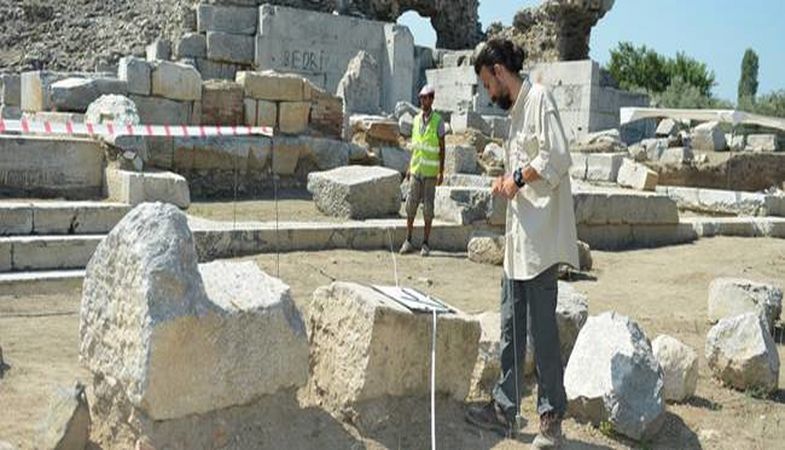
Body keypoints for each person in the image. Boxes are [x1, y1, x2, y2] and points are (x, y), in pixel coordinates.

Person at [464, 39, 579, 449]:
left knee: (543, 330)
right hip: (518, 239)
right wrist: (507, 180)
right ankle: (505, 409)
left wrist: (516, 178)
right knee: (512, 327)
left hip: (541, 240)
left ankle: (550, 419)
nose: (486, 92)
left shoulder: (540, 99)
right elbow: (524, 169)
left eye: (485, 83)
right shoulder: (514, 113)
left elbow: (558, 157)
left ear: (497, 70)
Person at [400, 84, 446, 257]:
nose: (422, 100)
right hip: (416, 169)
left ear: (431, 99)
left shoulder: (438, 121)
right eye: (421, 97)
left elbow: (442, 148)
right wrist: (409, 168)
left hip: (430, 172)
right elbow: (415, 147)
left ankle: (425, 243)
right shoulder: (417, 119)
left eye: (425, 98)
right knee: (410, 205)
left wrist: (442, 171)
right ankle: (408, 240)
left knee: (428, 208)